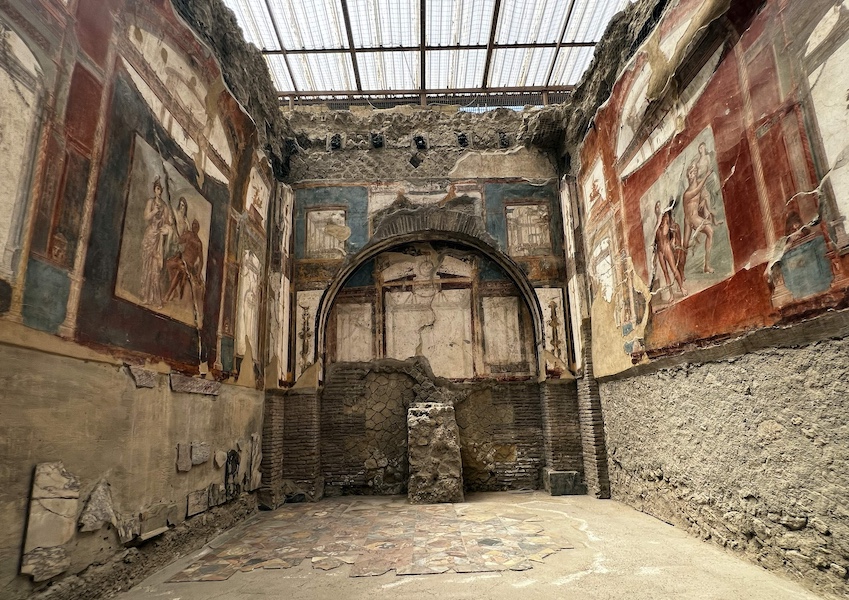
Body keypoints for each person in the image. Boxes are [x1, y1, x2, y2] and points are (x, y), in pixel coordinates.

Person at [140, 177, 172, 307]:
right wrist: (154, 211)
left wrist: (167, 230)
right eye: (157, 189)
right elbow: (146, 216)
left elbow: (167, 223)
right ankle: (146, 297)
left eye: (161, 189)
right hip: (149, 236)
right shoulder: (151, 202)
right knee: (147, 266)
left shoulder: (164, 206)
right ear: (154, 190)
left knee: (156, 268)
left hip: (158, 238)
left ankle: (156, 299)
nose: (159, 191)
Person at [682, 161, 716, 274]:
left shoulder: (698, 185)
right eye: (690, 173)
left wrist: (702, 201)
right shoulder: (687, 193)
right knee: (685, 247)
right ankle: (681, 271)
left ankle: (706, 266)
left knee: (710, 232)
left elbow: (702, 193)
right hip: (690, 219)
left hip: (694, 217)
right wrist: (707, 174)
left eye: (693, 173)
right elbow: (696, 191)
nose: (691, 175)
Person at [654, 200, 687, 296]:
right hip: (660, 250)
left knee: (673, 269)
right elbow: (656, 240)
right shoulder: (657, 222)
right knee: (665, 273)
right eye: (656, 207)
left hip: (666, 247)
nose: (657, 209)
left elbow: (672, 228)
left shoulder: (665, 218)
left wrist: (673, 239)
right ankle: (671, 295)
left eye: (659, 207)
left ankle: (682, 288)